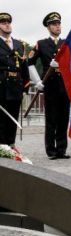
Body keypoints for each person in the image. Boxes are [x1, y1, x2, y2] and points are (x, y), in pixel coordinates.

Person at [28, 12, 71, 160]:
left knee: (63, 118)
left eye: (59, 24)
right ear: (48, 27)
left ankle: (62, 149)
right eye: (54, 24)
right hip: (50, 85)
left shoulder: (67, 44)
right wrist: (37, 81)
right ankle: (51, 151)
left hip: (64, 85)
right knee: (51, 118)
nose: (57, 26)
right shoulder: (41, 44)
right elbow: (30, 63)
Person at [0, 13, 29, 147]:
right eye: (3, 22)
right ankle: (2, 148)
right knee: (1, 120)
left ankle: (11, 146)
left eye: (8, 22)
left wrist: (26, 86)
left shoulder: (20, 44)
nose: (7, 24)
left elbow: (24, 68)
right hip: (1, 86)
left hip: (16, 86)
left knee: (13, 118)